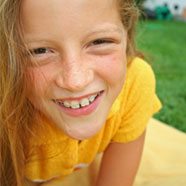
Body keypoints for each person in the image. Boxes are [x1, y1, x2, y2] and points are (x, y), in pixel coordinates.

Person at [0, 0, 162, 186]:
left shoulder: (135, 83)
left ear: (126, 32)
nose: (75, 82)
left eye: (99, 41)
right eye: (40, 51)